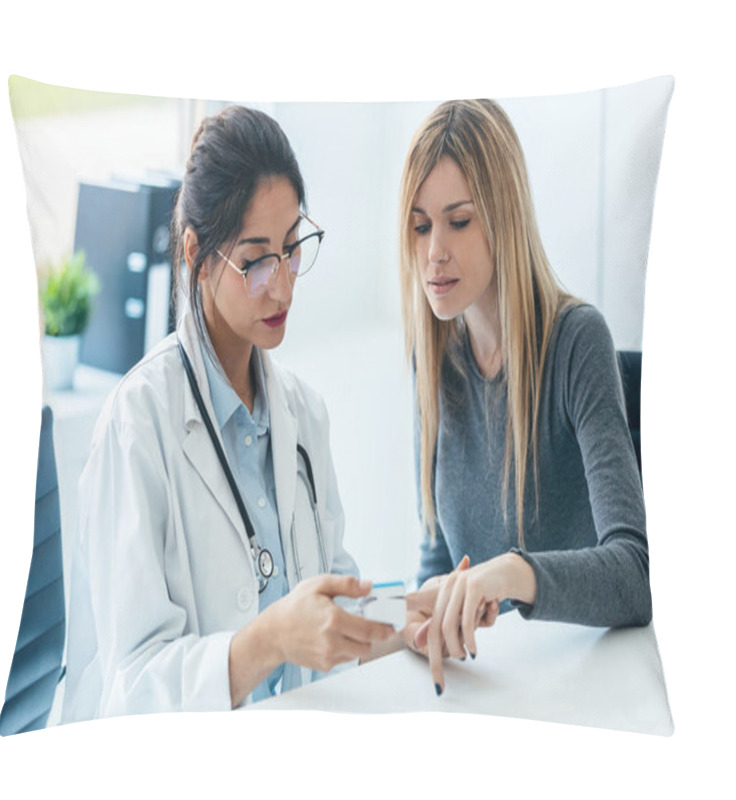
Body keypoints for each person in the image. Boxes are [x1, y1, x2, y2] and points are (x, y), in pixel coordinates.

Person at [61, 106, 394, 722]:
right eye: (256, 260)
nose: (284, 286)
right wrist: (267, 642)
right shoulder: (137, 426)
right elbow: (128, 687)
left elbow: (335, 604)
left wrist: (418, 621)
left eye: (293, 248)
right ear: (196, 253)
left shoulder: (305, 415)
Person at [398, 99, 652, 696]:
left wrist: (513, 573)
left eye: (458, 221)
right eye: (419, 225)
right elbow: (438, 562)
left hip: (587, 684)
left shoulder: (576, 341)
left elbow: (634, 574)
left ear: (502, 218)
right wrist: (421, 626)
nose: (434, 250)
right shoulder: (431, 363)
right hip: (493, 687)